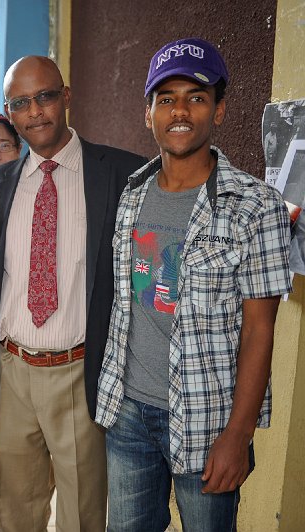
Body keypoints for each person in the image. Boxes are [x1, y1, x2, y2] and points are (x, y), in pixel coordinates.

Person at [95, 38, 292, 531]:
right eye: (166, 99)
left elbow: (259, 331)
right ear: (149, 115)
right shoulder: (131, 195)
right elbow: (128, 306)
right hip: (128, 415)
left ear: (220, 110)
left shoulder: (256, 206)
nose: (179, 110)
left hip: (207, 424)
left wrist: (238, 434)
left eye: (196, 97)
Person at [0, 56, 147, 531]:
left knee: (82, 517)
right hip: (10, 373)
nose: (35, 112)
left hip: (80, 373)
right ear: (9, 111)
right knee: (14, 514)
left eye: (45, 96)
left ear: (66, 96)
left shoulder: (121, 175)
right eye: (20, 103)